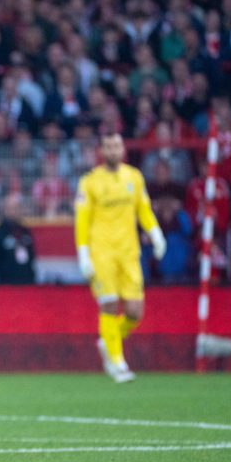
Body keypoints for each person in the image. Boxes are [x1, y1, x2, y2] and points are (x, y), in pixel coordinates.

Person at [74, 134, 167, 383]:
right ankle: (117, 363)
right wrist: (83, 253)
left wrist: (155, 233)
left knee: (135, 312)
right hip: (102, 253)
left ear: (123, 149)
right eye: (108, 146)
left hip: (129, 253)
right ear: (102, 151)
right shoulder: (90, 182)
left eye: (116, 146)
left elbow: (143, 209)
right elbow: (82, 220)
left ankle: (109, 340)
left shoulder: (134, 177)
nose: (113, 150)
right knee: (109, 305)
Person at [0, 193, 36, 285]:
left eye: (16, 208)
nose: (13, 211)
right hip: (5, 283)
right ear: (4, 210)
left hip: (26, 281)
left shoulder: (25, 231)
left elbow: (32, 255)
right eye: (10, 208)